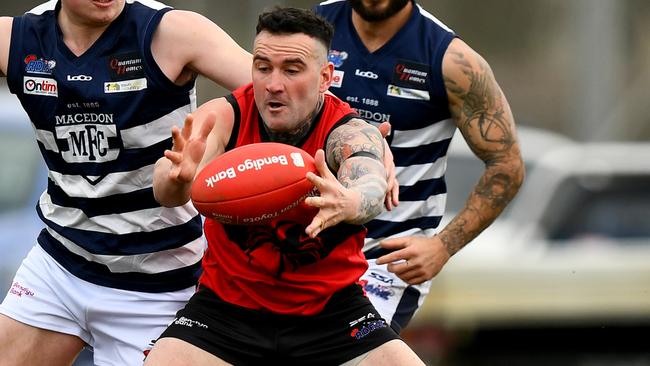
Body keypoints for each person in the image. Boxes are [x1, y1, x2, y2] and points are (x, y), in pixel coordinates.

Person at [145, 7, 425, 366]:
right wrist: (176, 178)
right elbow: (165, 189)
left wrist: (351, 201)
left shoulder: (348, 131)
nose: (273, 84)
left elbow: (370, 179)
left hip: (332, 313)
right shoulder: (226, 117)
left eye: (292, 70)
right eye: (263, 68)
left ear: (325, 77)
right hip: (227, 310)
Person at [0, 0, 252, 365]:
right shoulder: (19, 38)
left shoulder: (171, 33)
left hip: (157, 282)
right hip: (60, 265)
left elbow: (284, 94)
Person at [314, 0, 525, 332]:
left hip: (383, 263)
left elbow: (507, 165)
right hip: (301, 245)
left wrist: (443, 246)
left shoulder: (452, 60)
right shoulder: (312, 28)